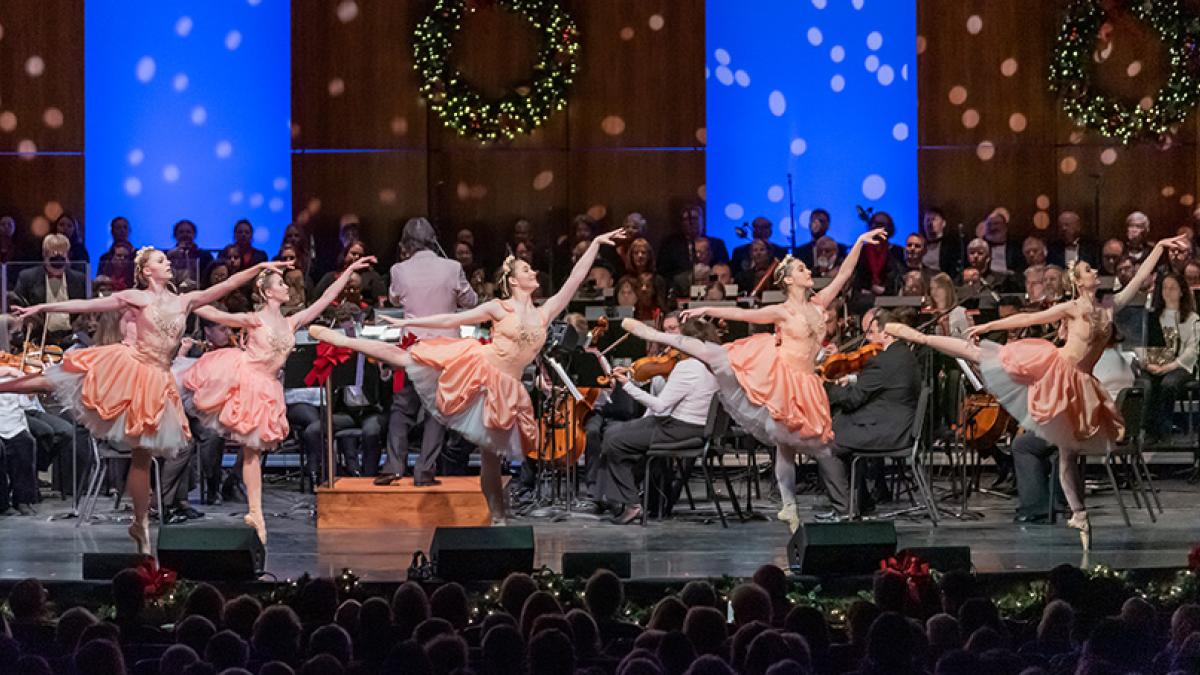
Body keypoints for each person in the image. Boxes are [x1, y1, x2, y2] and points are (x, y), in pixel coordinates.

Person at [884, 234, 1190, 549]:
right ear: (1079, 280)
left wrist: (1159, 247)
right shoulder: (1071, 307)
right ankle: (916, 337)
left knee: (1067, 456)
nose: (1095, 272)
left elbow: (1140, 279)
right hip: (1055, 369)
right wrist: (990, 327)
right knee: (982, 354)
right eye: (1089, 269)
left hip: (1080, 384)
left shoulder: (1108, 307)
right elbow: (1030, 317)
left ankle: (1078, 513)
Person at [310, 229, 625, 522]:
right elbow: (453, 316)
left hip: (510, 388)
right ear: (513, 281)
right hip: (480, 369)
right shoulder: (500, 308)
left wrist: (596, 243)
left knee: (491, 457)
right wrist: (406, 324)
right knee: (409, 358)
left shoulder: (546, 312)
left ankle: (498, 515)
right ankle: (344, 340)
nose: (533, 273)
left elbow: (575, 278)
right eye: (526, 270)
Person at [4, 248, 289, 553]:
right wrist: (43, 307)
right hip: (131, 367)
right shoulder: (136, 298)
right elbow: (89, 304)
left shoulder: (185, 301)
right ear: (146, 271)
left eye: (167, 260)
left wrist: (258, 265)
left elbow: (228, 285)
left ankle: (140, 523)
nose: (168, 263)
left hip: (159, 380)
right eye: (160, 261)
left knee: (143, 454)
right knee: (61, 377)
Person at [622, 228, 888, 532]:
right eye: (802, 269)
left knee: (790, 446)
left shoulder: (819, 304)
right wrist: (708, 308)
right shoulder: (782, 311)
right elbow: (743, 315)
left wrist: (858, 243)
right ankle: (655, 334)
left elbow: (843, 275)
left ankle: (790, 505)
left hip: (806, 384)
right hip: (780, 375)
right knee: (719, 356)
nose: (808, 270)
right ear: (789, 280)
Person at [179, 257, 374, 543]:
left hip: (268, 388)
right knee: (251, 451)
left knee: (254, 451)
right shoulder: (253, 319)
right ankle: (256, 512)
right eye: (281, 283)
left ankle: (255, 511)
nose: (287, 287)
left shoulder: (292, 321)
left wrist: (348, 272)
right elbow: (213, 313)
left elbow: (325, 298)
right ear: (269, 292)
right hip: (245, 379)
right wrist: (182, 300)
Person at [377, 218, 479, 488]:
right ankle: (424, 470)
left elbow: (395, 298)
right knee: (437, 411)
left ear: (406, 243)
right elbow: (471, 301)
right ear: (434, 240)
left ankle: (394, 466)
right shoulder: (453, 267)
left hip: (413, 348)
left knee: (402, 408)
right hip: (445, 352)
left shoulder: (399, 270)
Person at [592, 319, 720, 524]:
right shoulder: (712, 366)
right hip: (695, 430)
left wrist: (627, 386)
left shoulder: (687, 366)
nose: (672, 346)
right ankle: (632, 496)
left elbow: (660, 406)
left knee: (612, 438)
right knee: (618, 433)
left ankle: (630, 502)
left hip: (677, 430)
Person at [816, 309, 920, 518]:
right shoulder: (904, 355)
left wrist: (823, 386)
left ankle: (844, 510)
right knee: (842, 432)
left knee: (824, 443)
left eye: (872, 332)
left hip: (888, 430)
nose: (868, 338)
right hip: (895, 424)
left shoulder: (883, 361)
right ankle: (861, 504)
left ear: (887, 335)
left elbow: (854, 398)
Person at [1143, 272, 1199, 439]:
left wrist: (1169, 366)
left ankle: (1164, 430)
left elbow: (1192, 351)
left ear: (1181, 291)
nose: (1168, 292)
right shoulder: (1153, 316)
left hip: (1181, 366)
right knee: (1144, 383)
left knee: (1169, 383)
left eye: (1172, 288)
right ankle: (1145, 430)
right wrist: (1148, 364)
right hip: (1156, 363)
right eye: (1165, 288)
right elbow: (1145, 344)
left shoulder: (1192, 318)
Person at [13, 234, 88, 347]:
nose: (57, 263)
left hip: (72, 338)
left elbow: (86, 310)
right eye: (53, 258)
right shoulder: (27, 277)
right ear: (44, 255)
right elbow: (18, 307)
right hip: (38, 339)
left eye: (61, 258)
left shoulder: (79, 279)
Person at [166, 220, 213, 290]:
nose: (185, 235)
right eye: (181, 232)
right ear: (175, 235)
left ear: (194, 234)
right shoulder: (167, 256)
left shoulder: (205, 256)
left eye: (188, 232)